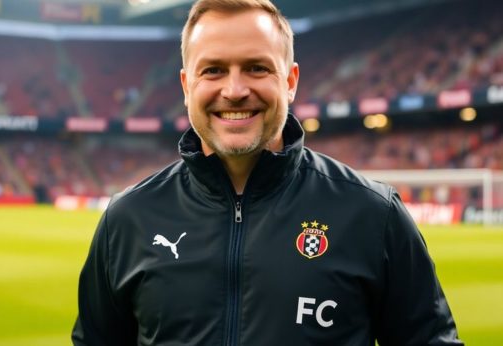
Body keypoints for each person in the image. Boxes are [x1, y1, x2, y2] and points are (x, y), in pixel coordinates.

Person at [72, 0, 463, 345]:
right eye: (213, 71)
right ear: (186, 85)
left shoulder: (372, 214)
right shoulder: (128, 219)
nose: (235, 89)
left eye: (257, 68)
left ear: (290, 81)